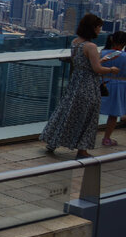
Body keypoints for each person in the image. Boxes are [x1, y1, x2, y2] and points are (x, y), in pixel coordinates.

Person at [41, 14, 121, 159]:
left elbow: (84, 63)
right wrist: (111, 70)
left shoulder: (75, 42)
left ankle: (52, 141)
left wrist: (99, 59)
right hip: (88, 85)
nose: (99, 30)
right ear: (93, 28)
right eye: (98, 27)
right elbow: (96, 69)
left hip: (75, 83)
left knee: (66, 112)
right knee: (88, 117)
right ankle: (82, 150)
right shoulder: (91, 46)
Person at [100, 31, 126, 147]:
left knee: (94, 111)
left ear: (111, 40)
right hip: (119, 86)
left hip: (103, 83)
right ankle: (106, 138)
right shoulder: (124, 56)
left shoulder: (103, 53)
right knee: (113, 114)